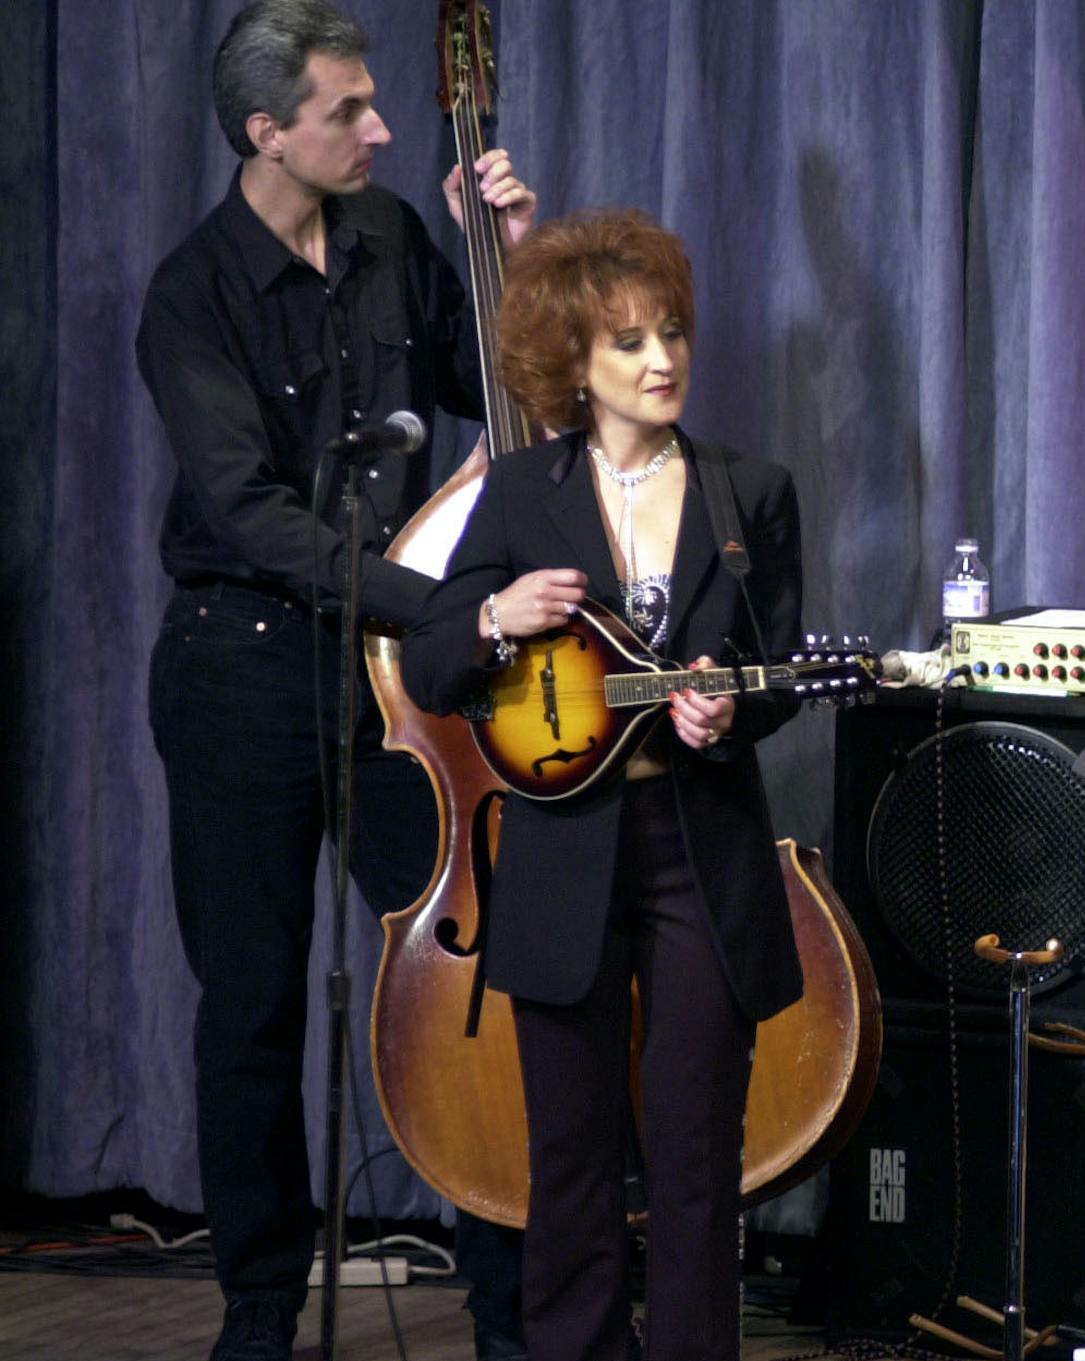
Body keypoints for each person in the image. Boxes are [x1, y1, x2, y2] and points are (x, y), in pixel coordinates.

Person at [133, 4, 538, 1359]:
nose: (379, 129)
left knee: (466, 981)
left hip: (393, 681)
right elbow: (250, 515)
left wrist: (513, 263)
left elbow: (510, 393)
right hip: (244, 670)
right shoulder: (193, 295)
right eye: (347, 113)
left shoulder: (389, 239)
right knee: (249, 1001)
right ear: (267, 133)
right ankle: (258, 1308)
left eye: (377, 102)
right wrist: (449, 605)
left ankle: (509, 1301)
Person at [399, 208, 806, 1361]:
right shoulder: (524, 490)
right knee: (568, 1161)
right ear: (573, 362)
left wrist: (732, 707)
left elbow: (778, 671)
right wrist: (491, 612)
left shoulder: (750, 491)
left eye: (671, 331)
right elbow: (433, 662)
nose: (660, 358)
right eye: (627, 341)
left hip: (701, 846)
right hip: (562, 853)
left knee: (694, 1161)